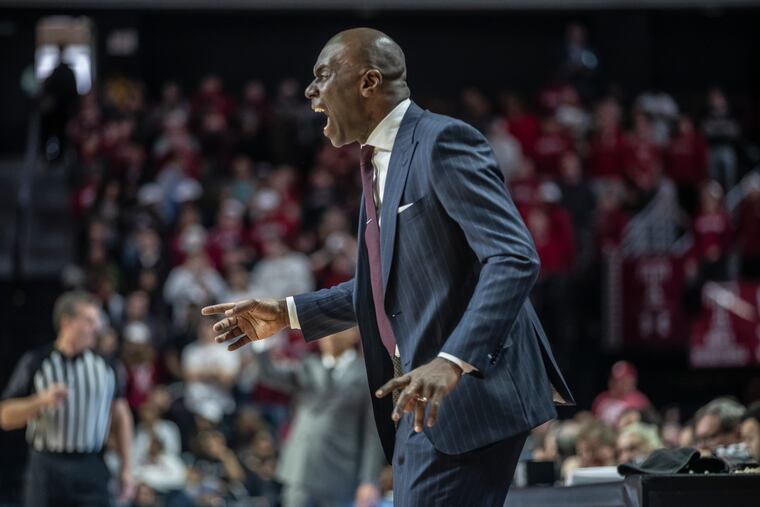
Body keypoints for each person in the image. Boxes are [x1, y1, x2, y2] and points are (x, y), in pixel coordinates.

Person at [203, 27, 573, 506]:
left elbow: (513, 256)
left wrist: (452, 360)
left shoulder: (442, 141)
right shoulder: (378, 160)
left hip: (467, 393)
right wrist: (288, 312)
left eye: (322, 76)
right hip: (419, 395)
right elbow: (389, 285)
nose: (310, 91)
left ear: (368, 83)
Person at [0, 291, 134, 507]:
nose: (96, 327)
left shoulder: (108, 367)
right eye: (89, 320)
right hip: (46, 466)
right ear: (67, 322)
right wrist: (40, 401)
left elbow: (121, 417)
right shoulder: (36, 362)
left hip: (91, 463)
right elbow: (5, 416)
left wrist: (127, 468)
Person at [251, 328, 385, 507]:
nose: (331, 335)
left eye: (338, 330)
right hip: (300, 470)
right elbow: (270, 374)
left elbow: (372, 433)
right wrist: (260, 343)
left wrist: (369, 480)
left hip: (341, 475)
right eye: (326, 330)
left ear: (354, 334)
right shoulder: (307, 366)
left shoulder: (366, 374)